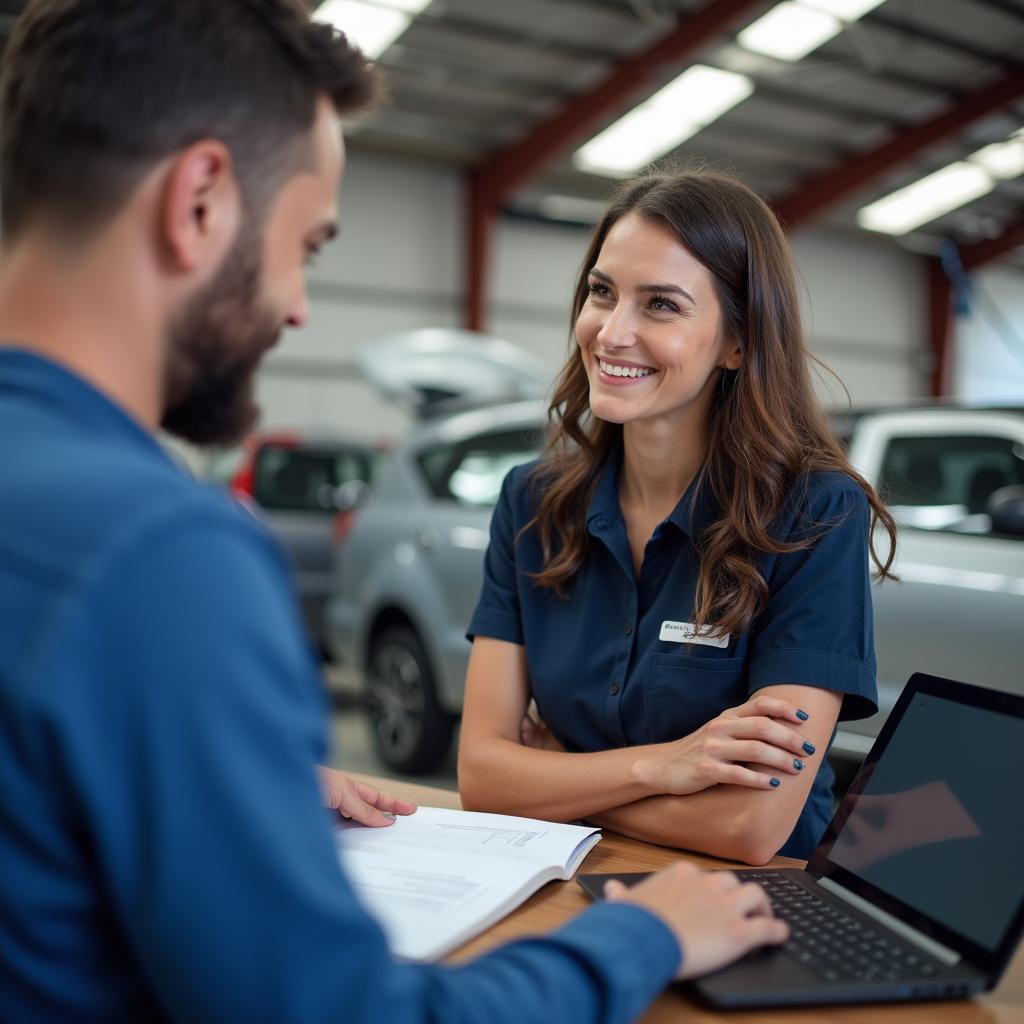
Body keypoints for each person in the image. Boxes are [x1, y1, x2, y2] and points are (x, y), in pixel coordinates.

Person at [0, 2, 790, 1021]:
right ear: (199, 200)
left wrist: (233, 782)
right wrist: (638, 934)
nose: (297, 308)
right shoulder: (163, 554)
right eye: (308, 246)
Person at [458, 169, 898, 865]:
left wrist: (557, 780)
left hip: (758, 907)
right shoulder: (531, 503)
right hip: (576, 881)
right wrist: (660, 766)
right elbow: (482, 775)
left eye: (660, 305)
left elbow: (751, 825)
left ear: (738, 343)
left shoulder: (814, 514)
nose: (612, 333)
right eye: (602, 293)